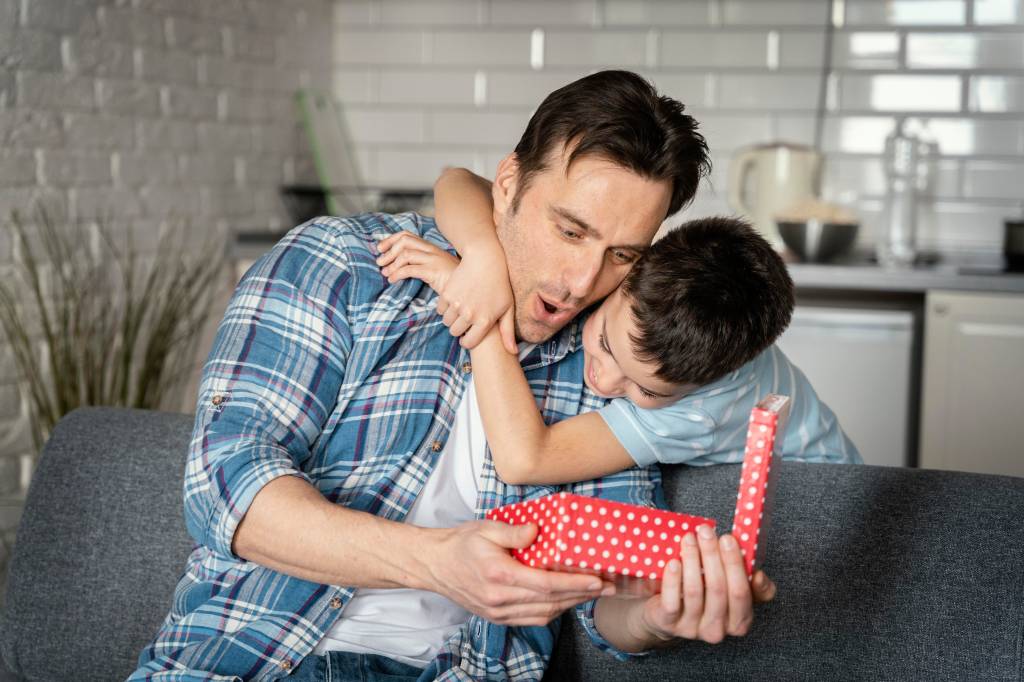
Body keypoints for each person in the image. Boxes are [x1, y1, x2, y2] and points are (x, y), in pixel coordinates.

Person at [130, 70, 775, 682]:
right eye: (569, 230)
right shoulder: (345, 264)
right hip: (250, 659)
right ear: (507, 184)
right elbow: (227, 489)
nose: (581, 283)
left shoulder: (609, 366)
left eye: (621, 255)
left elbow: (606, 599)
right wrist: (438, 564)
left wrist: (659, 618)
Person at [376, 172, 860, 488]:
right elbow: (458, 182)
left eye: (646, 389)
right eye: (606, 342)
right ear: (636, 269)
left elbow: (525, 460)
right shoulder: (632, 274)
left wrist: (474, 313)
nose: (604, 382)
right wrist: (480, 259)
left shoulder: (701, 411)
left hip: (816, 498)